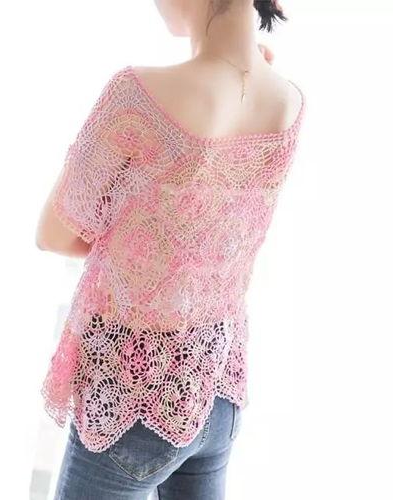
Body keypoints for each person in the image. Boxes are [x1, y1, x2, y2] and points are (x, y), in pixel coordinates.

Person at [35, 1, 305, 498]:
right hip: (217, 387)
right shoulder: (287, 101)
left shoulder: (137, 95)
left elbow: (54, 233)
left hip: (131, 394)